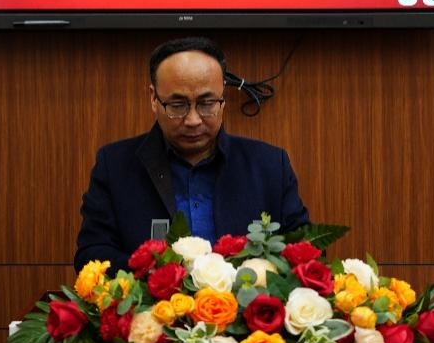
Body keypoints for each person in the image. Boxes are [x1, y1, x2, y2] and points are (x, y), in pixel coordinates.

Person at [73, 37, 310, 272]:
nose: (193, 120)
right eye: (178, 106)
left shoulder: (269, 166)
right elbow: (91, 254)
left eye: (207, 103)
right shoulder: (114, 166)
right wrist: (156, 276)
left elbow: (307, 250)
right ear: (154, 98)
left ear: (223, 97)